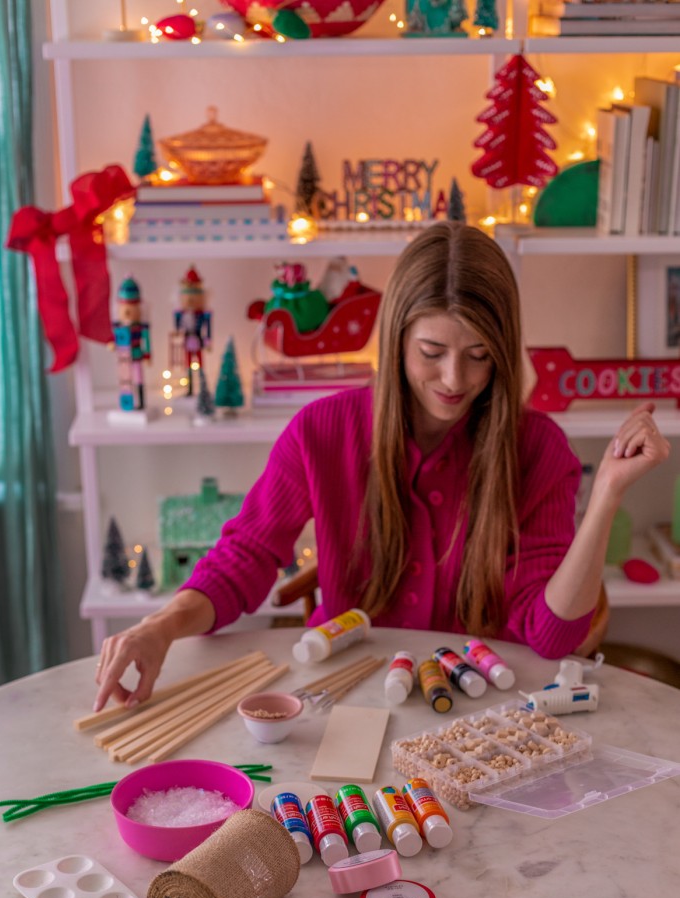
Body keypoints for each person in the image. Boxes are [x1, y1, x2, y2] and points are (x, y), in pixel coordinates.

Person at [93, 222, 670, 712]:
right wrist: (160, 627)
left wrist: (608, 495)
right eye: (431, 353)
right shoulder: (321, 432)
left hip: (476, 706)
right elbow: (245, 558)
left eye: (478, 356)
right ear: (395, 341)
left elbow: (550, 636)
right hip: (348, 698)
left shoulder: (538, 449)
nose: (454, 381)